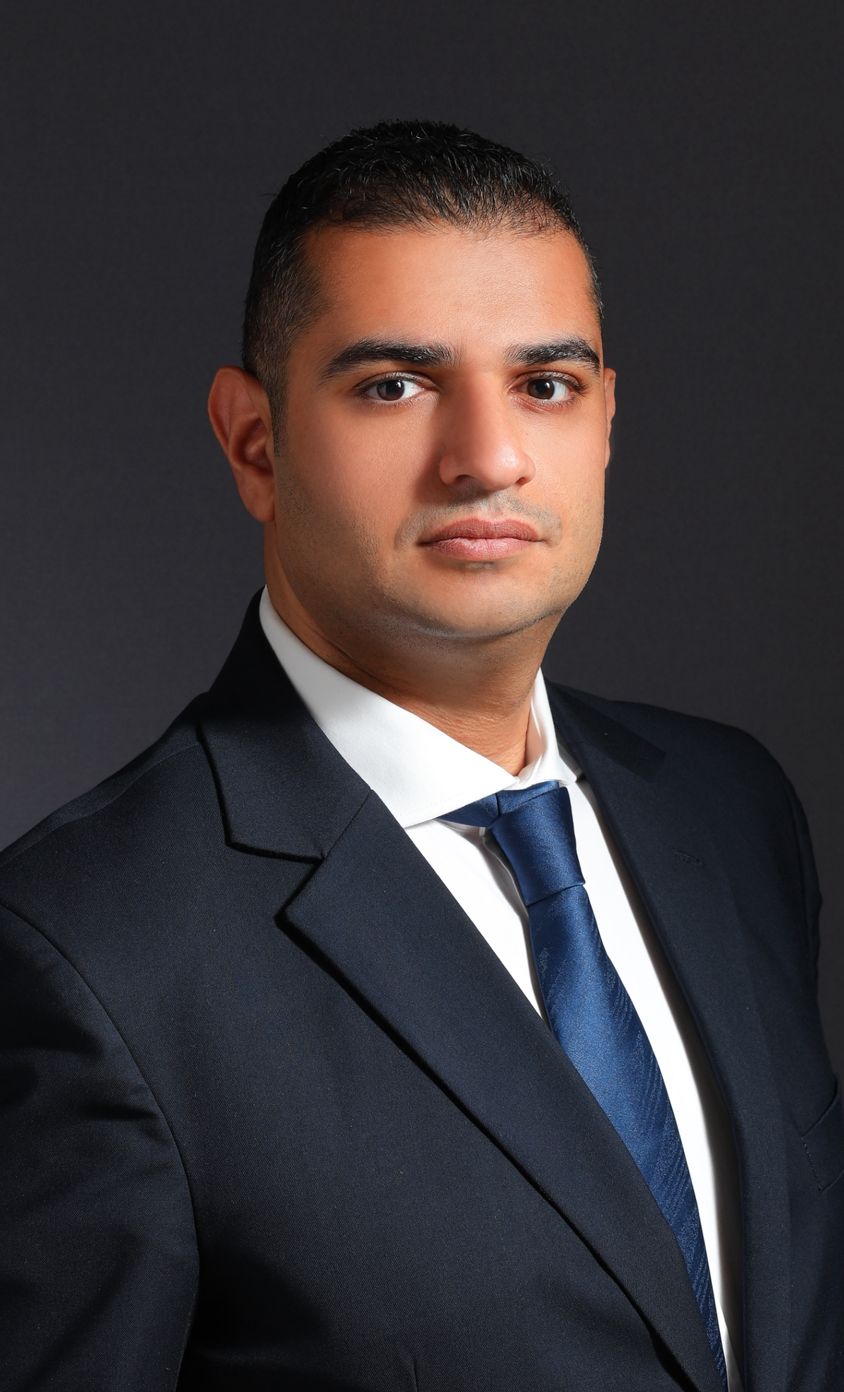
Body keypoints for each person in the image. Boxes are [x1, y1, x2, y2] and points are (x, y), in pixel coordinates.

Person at [1, 120, 842, 1392]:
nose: (488, 457)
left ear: (607, 420)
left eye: (545, 384)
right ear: (254, 441)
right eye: (394, 385)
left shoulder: (730, 812)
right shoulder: (85, 955)